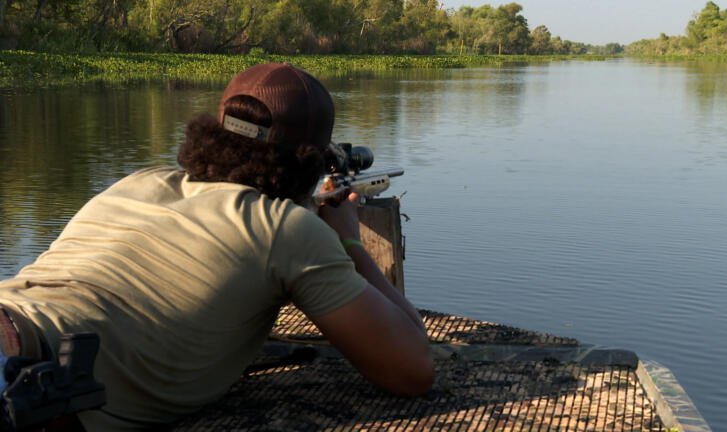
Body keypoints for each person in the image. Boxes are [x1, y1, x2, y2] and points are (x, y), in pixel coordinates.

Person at [0, 63, 433, 431]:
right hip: (33, 382)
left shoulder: (142, 182)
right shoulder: (288, 230)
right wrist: (348, 241)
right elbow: (413, 368)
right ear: (310, 160)